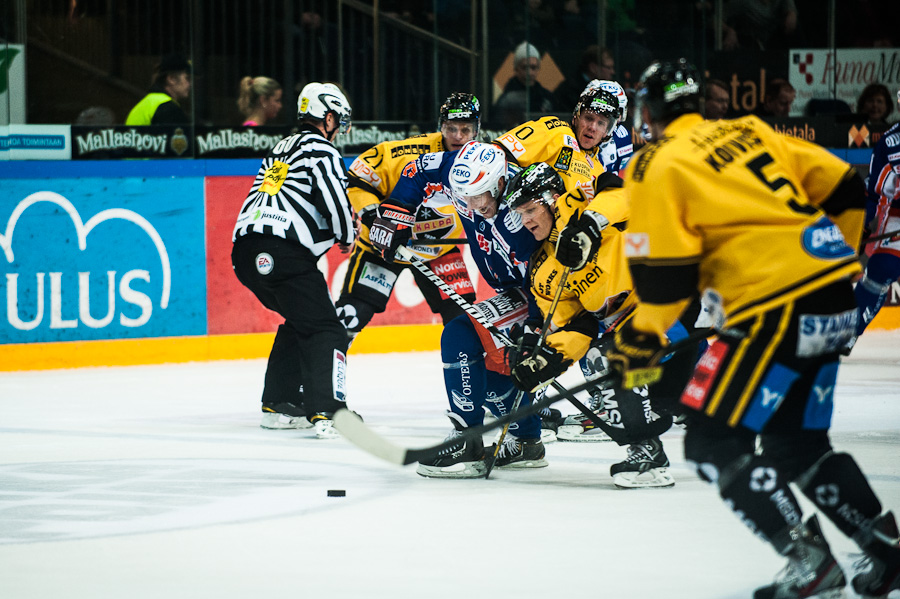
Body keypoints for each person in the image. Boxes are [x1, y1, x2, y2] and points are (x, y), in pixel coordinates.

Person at [612, 58, 899, 598]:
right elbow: (842, 183)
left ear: (647, 113)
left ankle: (810, 561)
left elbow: (664, 281)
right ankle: (886, 550)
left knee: (712, 440)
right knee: (798, 444)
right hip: (836, 299)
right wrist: (827, 256)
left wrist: (638, 338)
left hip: (773, 306)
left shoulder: (657, 163)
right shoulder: (751, 130)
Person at [504, 162, 704, 487]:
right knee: (663, 399)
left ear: (552, 198)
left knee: (623, 352)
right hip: (642, 331)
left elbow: (625, 197)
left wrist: (589, 225)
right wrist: (547, 361)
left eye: (530, 210)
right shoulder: (542, 270)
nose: (525, 221)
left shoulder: (588, 203)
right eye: (520, 214)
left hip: (675, 305)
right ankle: (649, 448)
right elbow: (577, 327)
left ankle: (651, 451)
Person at [370, 140, 547, 478]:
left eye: (478, 196)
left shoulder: (523, 212)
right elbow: (418, 169)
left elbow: (546, 277)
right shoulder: (460, 173)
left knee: (459, 333)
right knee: (492, 366)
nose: (470, 204)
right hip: (518, 290)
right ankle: (526, 440)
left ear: (499, 184)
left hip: (545, 294)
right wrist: (396, 215)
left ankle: (469, 441)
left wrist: (534, 329)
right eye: (463, 195)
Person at [231, 82, 355, 438]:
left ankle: (280, 403)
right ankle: (330, 413)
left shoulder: (281, 147)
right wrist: (347, 236)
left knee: (302, 319)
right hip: (284, 251)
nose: (338, 128)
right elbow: (333, 199)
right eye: (338, 120)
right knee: (327, 328)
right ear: (328, 116)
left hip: (246, 253)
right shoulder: (320, 149)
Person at [334, 93, 480, 346]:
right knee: (351, 316)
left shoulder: (484, 159)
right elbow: (358, 176)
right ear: (440, 127)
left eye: (466, 129)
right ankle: (322, 376)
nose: (458, 136)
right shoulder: (408, 153)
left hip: (438, 250)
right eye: (451, 128)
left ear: (477, 130)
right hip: (383, 246)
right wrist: (372, 216)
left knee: (465, 321)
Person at [852, 88, 900, 345]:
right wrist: (865, 228)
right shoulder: (891, 143)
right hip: (897, 215)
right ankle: (849, 332)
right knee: (883, 268)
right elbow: (876, 194)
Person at [491, 41, 557, 130]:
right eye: (524, 67)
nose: (529, 73)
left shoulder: (546, 97)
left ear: (538, 69)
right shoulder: (506, 99)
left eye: (533, 67)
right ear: (516, 68)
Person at [125, 54, 192, 126]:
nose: (190, 84)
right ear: (171, 79)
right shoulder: (167, 109)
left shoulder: (150, 103)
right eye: (187, 78)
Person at [553, 45, 615, 113]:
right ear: (593, 67)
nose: (612, 72)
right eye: (608, 67)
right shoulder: (570, 90)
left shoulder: (610, 89)